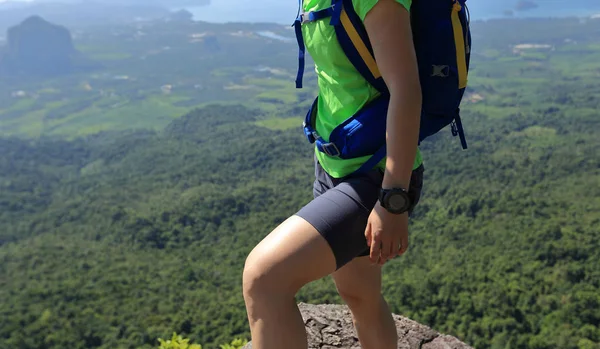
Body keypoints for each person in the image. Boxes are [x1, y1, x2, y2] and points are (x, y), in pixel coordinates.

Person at [242, 0, 424, 348]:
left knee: (264, 279)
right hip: (332, 163)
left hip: (377, 175)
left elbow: (407, 90)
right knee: (359, 294)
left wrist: (393, 200)